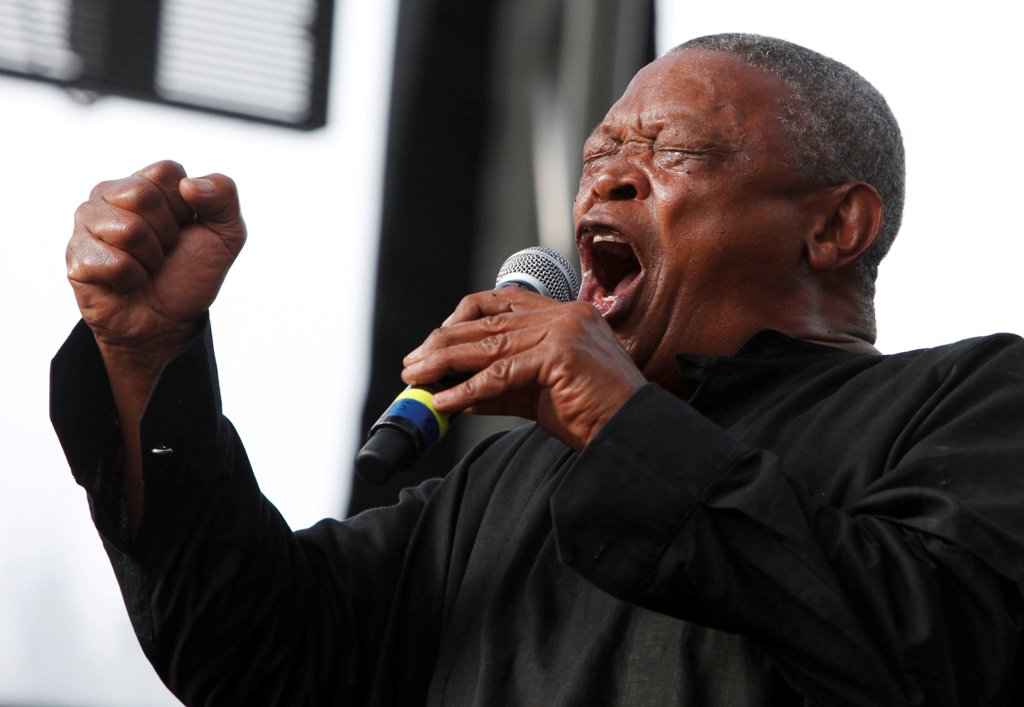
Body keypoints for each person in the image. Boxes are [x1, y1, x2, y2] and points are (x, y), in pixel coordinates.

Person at [51, 33, 1024, 706]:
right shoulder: (495, 487)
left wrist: (618, 423)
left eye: (671, 150)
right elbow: (254, 650)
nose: (606, 176)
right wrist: (145, 355)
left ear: (833, 225)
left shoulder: (972, 400)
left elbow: (940, 651)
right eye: (599, 155)